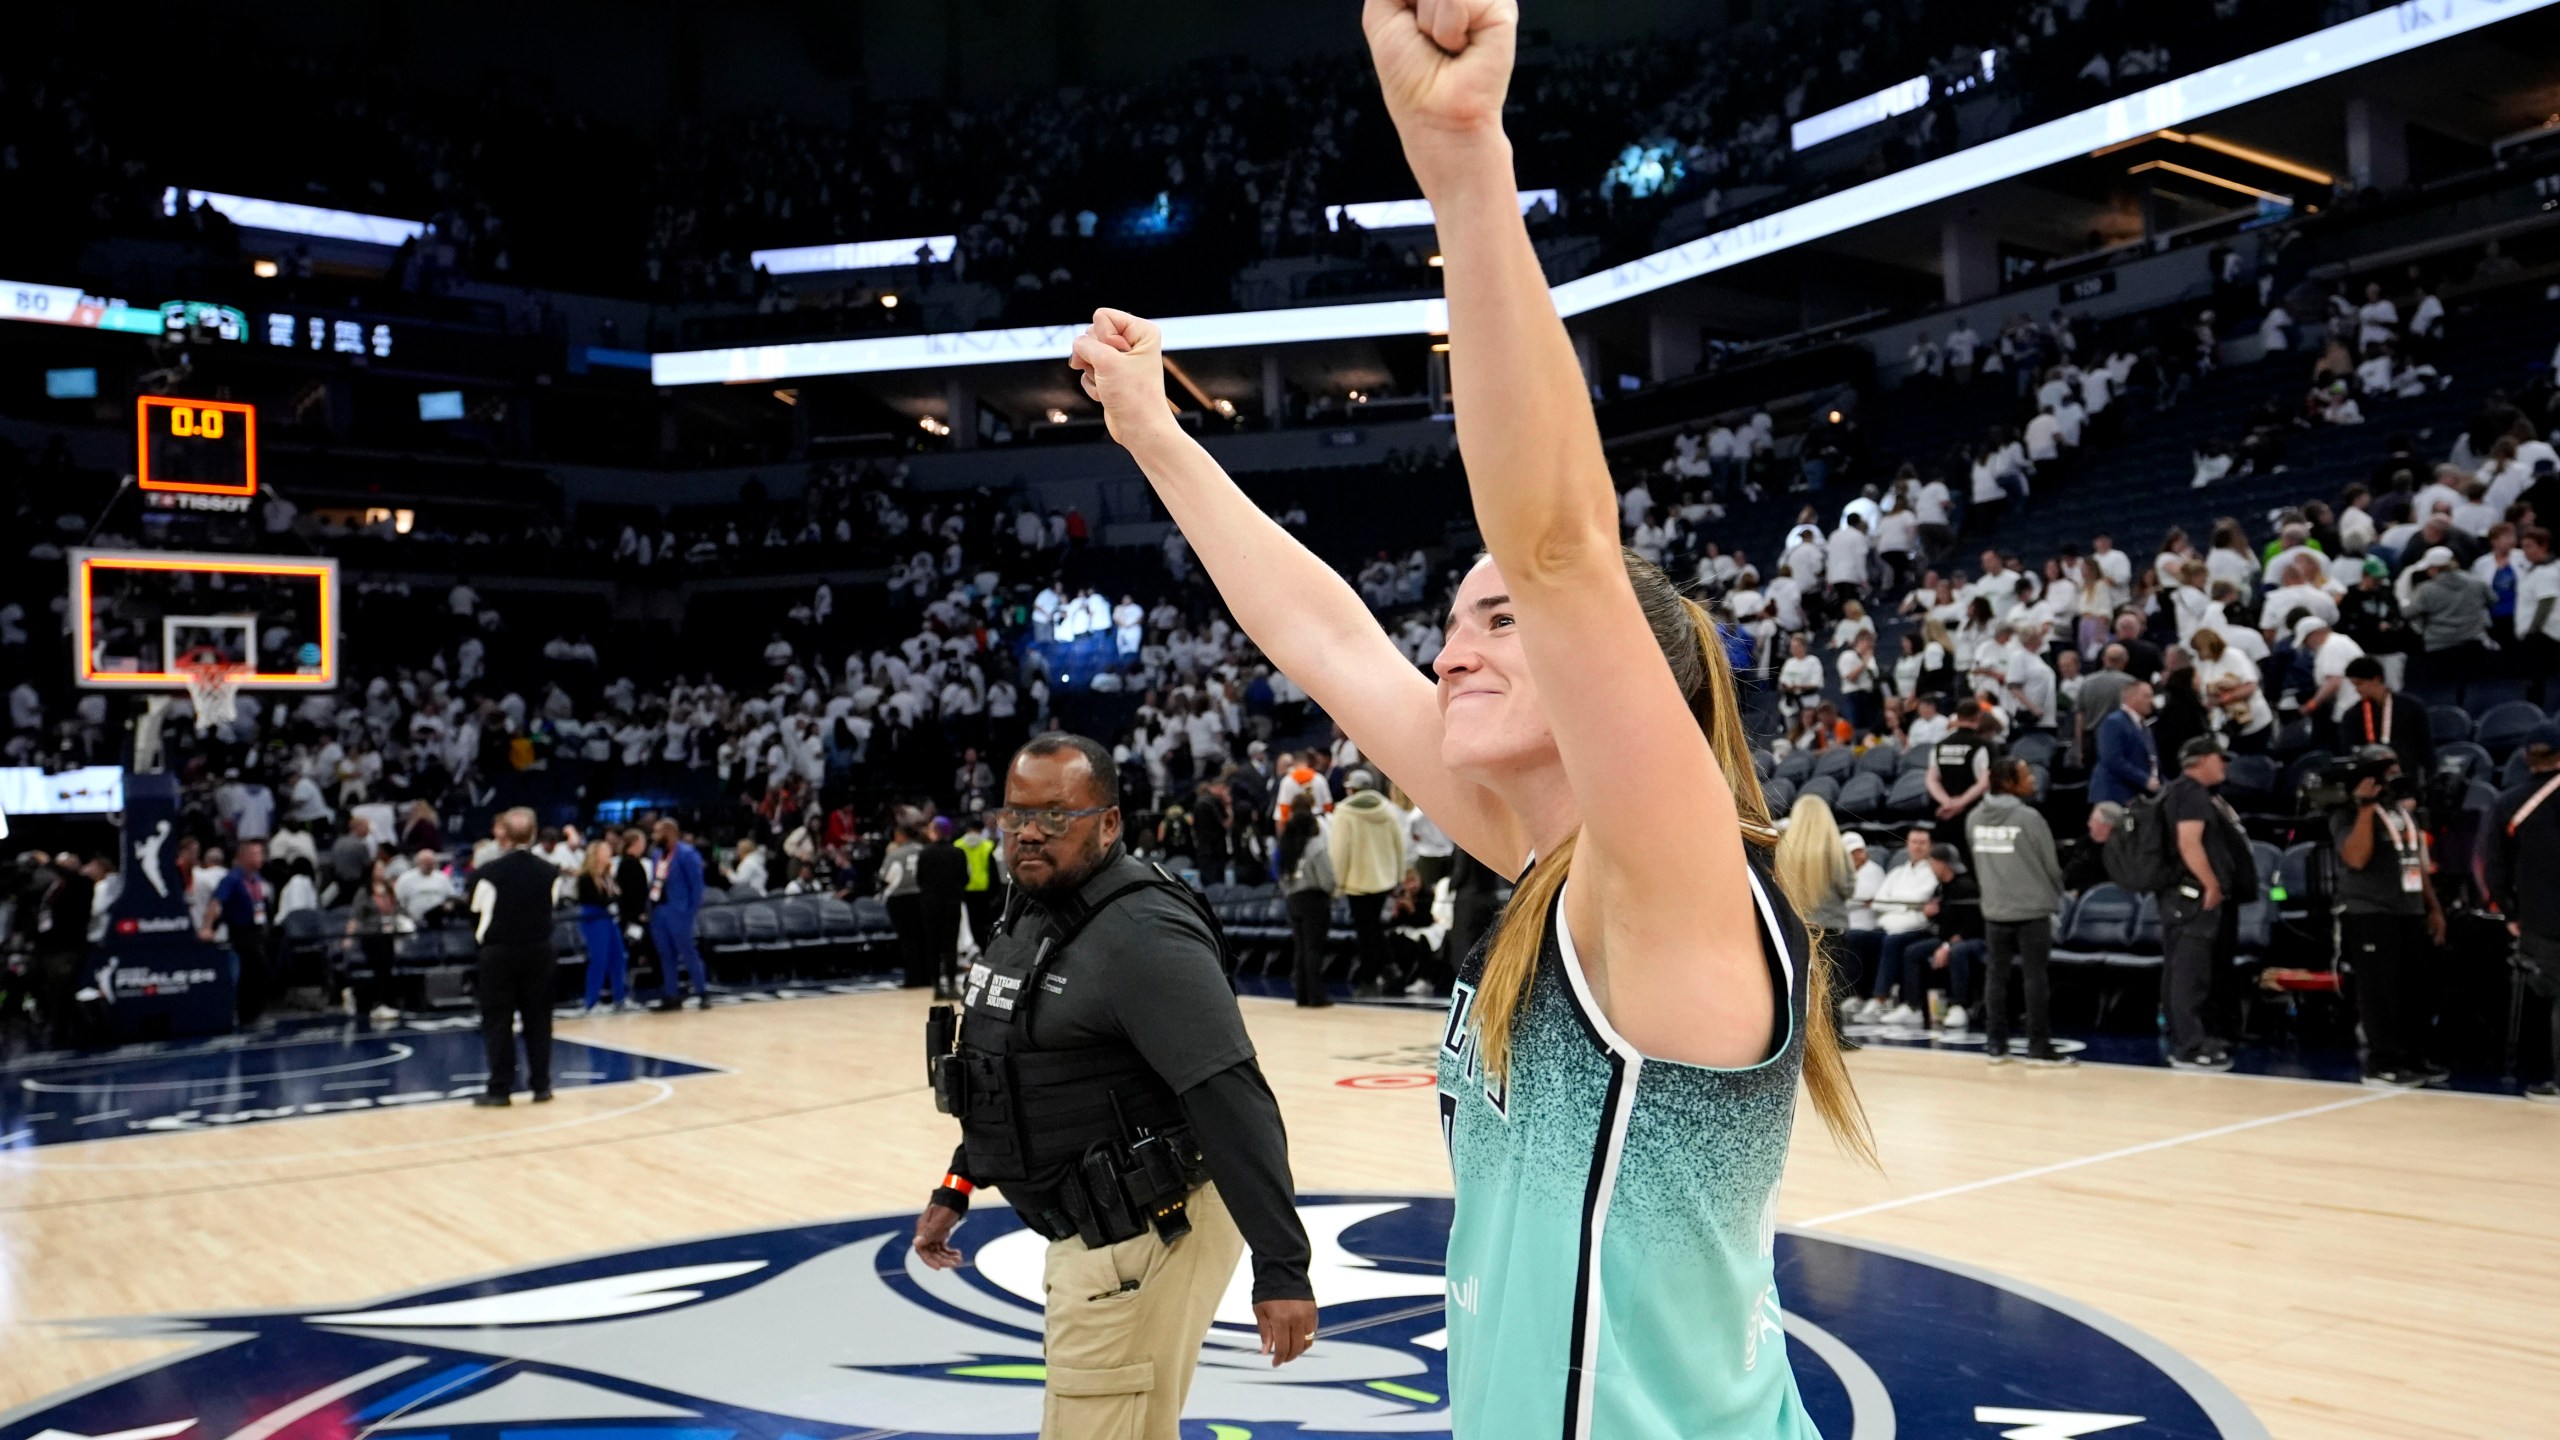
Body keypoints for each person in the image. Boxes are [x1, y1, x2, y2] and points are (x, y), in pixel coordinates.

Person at [1068, 2, 1869, 1425]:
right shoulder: (1539, 871)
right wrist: (1156, 434)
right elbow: (1324, 636)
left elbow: (1560, 543)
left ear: (1630, 681)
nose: (1451, 652)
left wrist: (1463, 166)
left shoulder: (1674, 888)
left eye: (1496, 622)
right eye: (1451, 623)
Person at [915, 735, 1315, 1439]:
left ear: (1109, 823)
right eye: (1016, 815)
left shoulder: (1142, 933)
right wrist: (959, 1182)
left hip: (1143, 1236)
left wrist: (1282, 1269)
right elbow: (1013, 1071)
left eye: (1056, 815)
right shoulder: (1032, 905)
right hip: (1093, 1231)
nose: (1030, 832)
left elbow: (1232, 1096)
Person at [2329, 746, 2449, 1089]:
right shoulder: (2347, 813)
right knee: (2379, 991)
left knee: (2415, 989)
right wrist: (2366, 807)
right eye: (2388, 767)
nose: (2396, 771)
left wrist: (2433, 907)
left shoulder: (2401, 811)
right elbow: (2356, 858)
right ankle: (2382, 1063)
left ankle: (2412, 1057)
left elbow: (2416, 861)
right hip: (2370, 911)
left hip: (2409, 910)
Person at [2158, 737, 2256, 1071]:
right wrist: (2210, 883)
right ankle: (2189, 1045)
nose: (2225, 765)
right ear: (2199, 760)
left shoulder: (2188, 793)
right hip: (2192, 895)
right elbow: (2189, 843)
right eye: (2219, 758)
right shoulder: (2190, 794)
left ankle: (2190, 1036)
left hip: (2184, 895)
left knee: (2187, 969)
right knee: (2190, 971)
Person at [1969, 758, 2072, 1065]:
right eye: (2026, 776)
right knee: (2035, 977)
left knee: (1996, 978)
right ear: (2008, 783)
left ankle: (1995, 1046)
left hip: (1995, 910)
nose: (2034, 781)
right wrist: (2058, 894)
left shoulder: (1973, 818)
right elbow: (2052, 866)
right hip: (2032, 909)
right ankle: (2038, 1047)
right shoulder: (2029, 818)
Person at [2485, 722, 2560, 1100]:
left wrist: (2512, 913)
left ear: (2526, 759)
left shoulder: (2507, 803)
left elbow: (2492, 867)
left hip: (2542, 917)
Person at [471, 809, 566, 1106]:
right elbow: (550, 907)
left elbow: (476, 913)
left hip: (499, 952)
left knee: (498, 1021)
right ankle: (541, 1085)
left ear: (505, 835)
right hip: (539, 950)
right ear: (534, 833)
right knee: (539, 1019)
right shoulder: (551, 871)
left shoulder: (488, 872)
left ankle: (500, 1089)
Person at [1326, 769, 1407, 993]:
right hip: (1383, 880)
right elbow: (1399, 846)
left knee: (1366, 931)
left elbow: (1339, 852)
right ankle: (1388, 968)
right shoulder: (1387, 810)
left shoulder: (1344, 812)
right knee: (1374, 928)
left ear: (1351, 788)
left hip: (1357, 882)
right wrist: (1398, 877)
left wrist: (1337, 884)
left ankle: (1370, 977)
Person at [201, 838, 272, 1026]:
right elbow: (216, 903)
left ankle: (254, 1013)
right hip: (241, 932)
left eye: (261, 853)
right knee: (255, 970)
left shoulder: (257, 878)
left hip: (257, 930)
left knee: (256, 971)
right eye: (256, 854)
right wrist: (207, 927)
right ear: (244, 856)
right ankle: (246, 1014)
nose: (261, 858)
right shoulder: (232, 879)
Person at [648, 817, 709, 1011]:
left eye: (657, 832)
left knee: (687, 952)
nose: (654, 835)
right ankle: (671, 995)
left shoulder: (686, 853)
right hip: (660, 911)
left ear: (669, 833)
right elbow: (656, 881)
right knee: (666, 955)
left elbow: (696, 885)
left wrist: (690, 910)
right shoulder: (657, 855)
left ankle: (702, 992)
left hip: (679, 911)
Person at [1278, 806, 1336, 1006]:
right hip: (1314, 900)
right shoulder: (1316, 846)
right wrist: (1332, 891)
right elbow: (1327, 879)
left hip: (1293, 900)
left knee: (1300, 949)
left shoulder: (1286, 846)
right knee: (1314, 950)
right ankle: (1316, 996)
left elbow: (1280, 876)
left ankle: (1301, 995)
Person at [2339, 656, 2432, 776]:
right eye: (2354, 685)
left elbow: (2426, 745)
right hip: (2372, 776)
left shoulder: (2412, 707)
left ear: (2377, 679)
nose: (2357, 690)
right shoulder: (2352, 714)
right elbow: (2348, 750)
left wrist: (2430, 776)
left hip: (2407, 773)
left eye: (2360, 684)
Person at [917, 817, 971, 999]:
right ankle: (951, 984)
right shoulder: (958, 853)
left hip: (930, 904)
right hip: (951, 903)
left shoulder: (924, 853)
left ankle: (936, 987)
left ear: (934, 831)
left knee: (932, 945)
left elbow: (919, 879)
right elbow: (965, 879)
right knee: (950, 945)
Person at [574, 839, 630, 1014]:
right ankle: (591, 1002)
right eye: (605, 851)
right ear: (596, 855)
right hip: (594, 920)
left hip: (609, 920)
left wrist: (612, 901)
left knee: (618, 957)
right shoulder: (585, 877)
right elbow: (594, 899)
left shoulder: (608, 876)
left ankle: (620, 998)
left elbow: (618, 897)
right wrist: (610, 901)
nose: (609, 854)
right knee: (599, 960)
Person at [2090, 678, 2159, 807]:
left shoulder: (2144, 726)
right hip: (2114, 795)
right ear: (2131, 698)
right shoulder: (2114, 722)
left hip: (2136, 795)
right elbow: (2112, 759)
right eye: (2147, 696)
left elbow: (2151, 759)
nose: (2151, 701)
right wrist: (2145, 780)